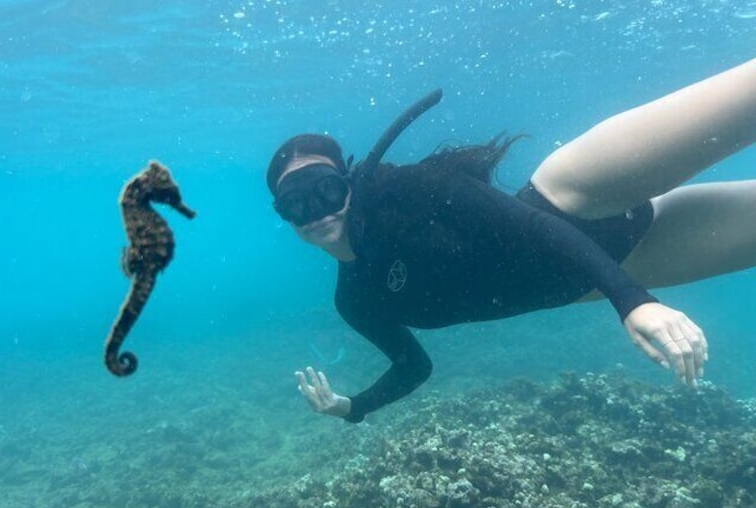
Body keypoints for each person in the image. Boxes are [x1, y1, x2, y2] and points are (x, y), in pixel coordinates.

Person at [266, 58, 756, 423]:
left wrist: (630, 300)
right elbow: (413, 366)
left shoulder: (405, 190)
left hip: (578, 194)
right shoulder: (354, 301)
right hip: (614, 266)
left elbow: (529, 227)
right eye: (296, 204)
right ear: (285, 218)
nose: (316, 212)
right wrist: (351, 407)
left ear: (348, 185)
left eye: (325, 191)